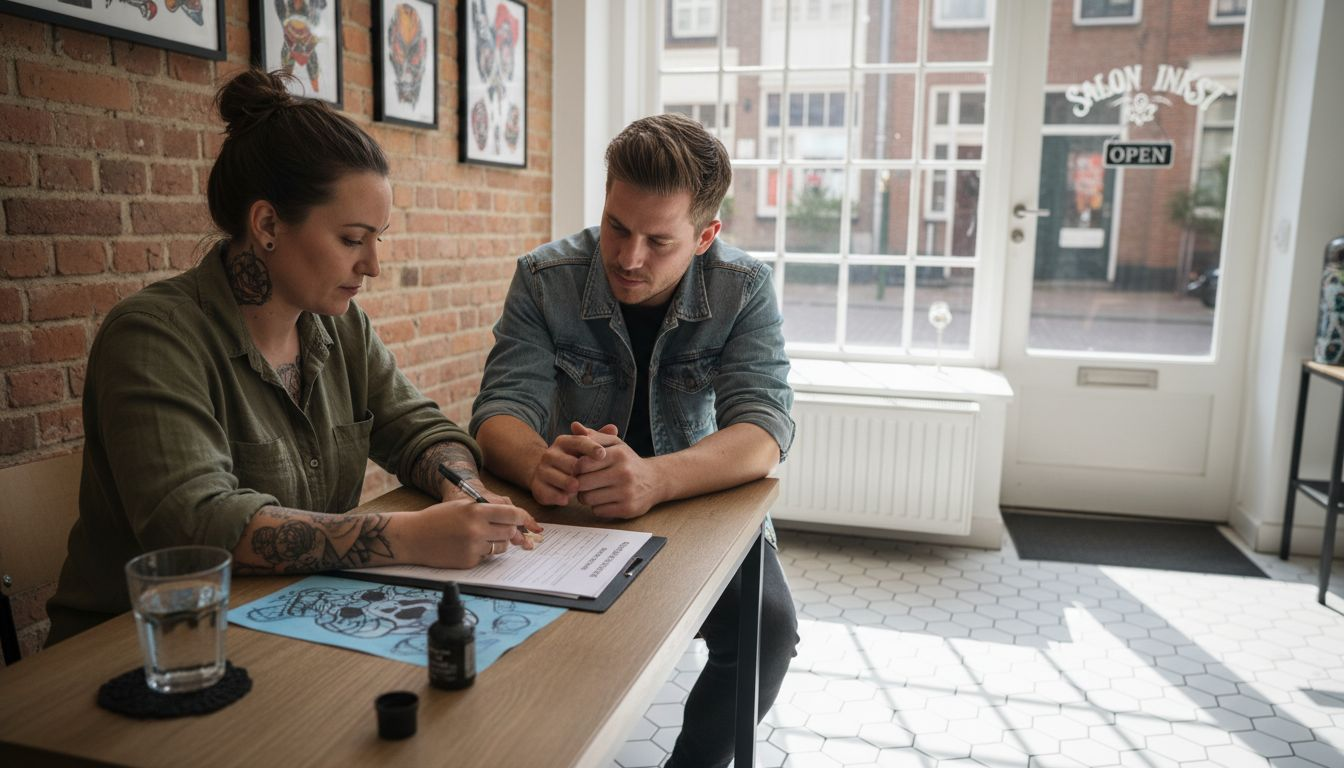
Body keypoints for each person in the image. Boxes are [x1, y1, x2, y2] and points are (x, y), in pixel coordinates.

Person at [46, 69, 540, 645]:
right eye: (352, 239)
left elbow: (420, 429)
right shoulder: (153, 338)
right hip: (140, 649)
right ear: (267, 225)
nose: (372, 265)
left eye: (378, 238)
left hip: (287, 622)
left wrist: (464, 489)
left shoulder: (340, 326)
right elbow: (197, 527)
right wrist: (409, 537)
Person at [470, 113, 798, 768]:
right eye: (617, 227)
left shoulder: (745, 288)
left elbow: (763, 430)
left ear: (707, 235)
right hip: (569, 514)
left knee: (770, 630)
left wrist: (655, 479)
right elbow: (497, 411)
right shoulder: (543, 278)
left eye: (659, 240)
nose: (628, 257)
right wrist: (537, 462)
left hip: (697, 511)